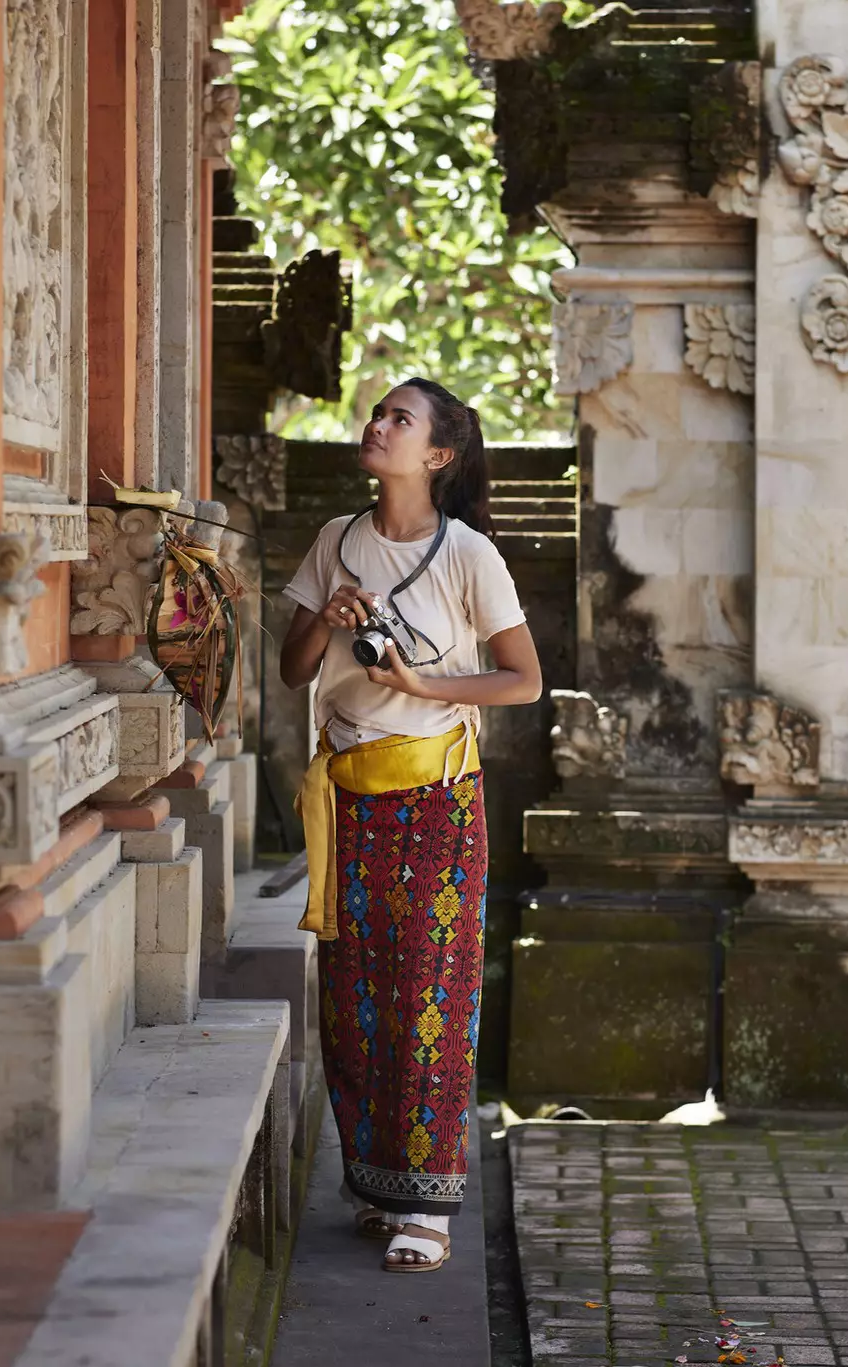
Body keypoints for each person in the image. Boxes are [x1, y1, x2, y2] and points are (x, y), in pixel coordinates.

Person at [280, 378, 543, 1275]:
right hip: (350, 794)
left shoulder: (468, 554)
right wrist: (330, 611)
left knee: (429, 994)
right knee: (352, 998)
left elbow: (522, 680)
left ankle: (426, 1207)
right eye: (378, 412)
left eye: (401, 418)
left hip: (436, 797)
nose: (377, 424)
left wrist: (427, 687)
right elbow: (293, 668)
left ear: (438, 456)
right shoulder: (336, 541)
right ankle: (374, 1184)